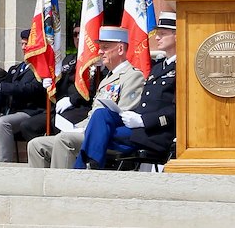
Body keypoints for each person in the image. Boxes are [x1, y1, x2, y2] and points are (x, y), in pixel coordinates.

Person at [26, 26, 145, 169]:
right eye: (100, 47)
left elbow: (123, 114)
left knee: (64, 140)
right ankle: (39, 189)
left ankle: (61, 188)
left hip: (106, 134)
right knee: (36, 145)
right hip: (89, 129)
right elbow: (92, 114)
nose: (100, 52)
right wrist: (76, 127)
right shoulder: (107, 78)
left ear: (120, 49)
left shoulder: (133, 76)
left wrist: (85, 129)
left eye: (105, 47)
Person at [74, 13, 178, 169]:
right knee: (101, 114)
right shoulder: (157, 68)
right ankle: (90, 167)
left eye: (163, 33)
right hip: (138, 127)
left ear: (177, 36)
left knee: (98, 134)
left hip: (154, 132)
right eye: (157, 33)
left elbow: (178, 111)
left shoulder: (182, 68)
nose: (157, 37)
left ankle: (85, 170)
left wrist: (144, 120)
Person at [0, 29, 48, 162]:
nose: (23, 48)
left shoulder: (40, 69)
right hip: (9, 111)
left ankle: (4, 163)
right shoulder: (15, 69)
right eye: (22, 44)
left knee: (2, 123)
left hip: (29, 111)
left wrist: (0, 86)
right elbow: (1, 93)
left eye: (26, 44)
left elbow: (29, 89)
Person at [18, 25, 94, 141]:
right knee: (28, 126)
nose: (78, 38)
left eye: (81, 34)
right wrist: (50, 83)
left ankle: (63, 157)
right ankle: (46, 155)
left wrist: (72, 100)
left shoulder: (95, 62)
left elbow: (94, 87)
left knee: (58, 122)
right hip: (59, 107)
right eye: (75, 34)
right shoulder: (69, 59)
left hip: (82, 107)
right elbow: (60, 81)